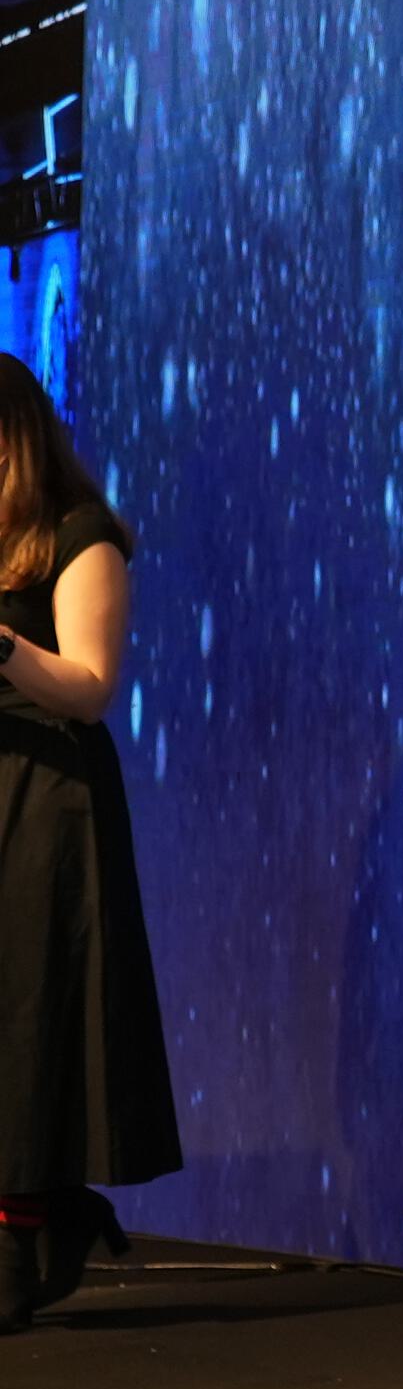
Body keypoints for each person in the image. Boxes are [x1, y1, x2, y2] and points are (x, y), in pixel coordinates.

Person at [0, 354, 170, 1329]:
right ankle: (53, 1210)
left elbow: (92, 687)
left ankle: (22, 1233)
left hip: (49, 798)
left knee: (29, 1013)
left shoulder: (79, 535)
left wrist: (0, 643)